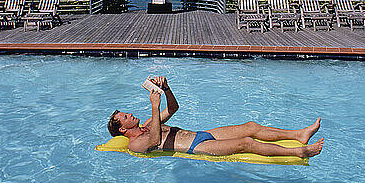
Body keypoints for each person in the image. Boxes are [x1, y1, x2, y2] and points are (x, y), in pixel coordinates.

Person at [107, 76, 324, 159]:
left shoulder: (147, 124)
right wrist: (154, 106)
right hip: (197, 147)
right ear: (123, 130)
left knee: (250, 126)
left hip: (202, 134)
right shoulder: (135, 144)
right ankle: (299, 151)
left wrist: (166, 89)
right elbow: (154, 141)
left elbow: (173, 108)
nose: (130, 114)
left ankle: (299, 134)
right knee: (246, 143)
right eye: (125, 116)